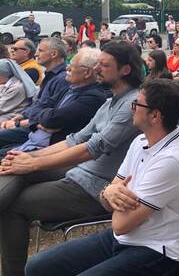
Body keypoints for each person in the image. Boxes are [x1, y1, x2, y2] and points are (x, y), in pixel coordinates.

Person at [25, 79, 179, 276]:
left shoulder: (172, 160)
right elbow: (108, 199)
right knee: (37, 267)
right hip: (125, 239)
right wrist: (109, 191)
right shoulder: (140, 141)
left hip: (157, 250)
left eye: (136, 104)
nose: (131, 108)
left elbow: (120, 224)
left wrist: (111, 192)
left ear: (155, 115)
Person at [0, 41, 142, 276]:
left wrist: (34, 162)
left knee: (14, 205)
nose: (98, 69)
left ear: (125, 70)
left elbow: (92, 148)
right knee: (15, 166)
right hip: (82, 172)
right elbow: (75, 139)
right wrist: (28, 156)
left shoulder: (132, 104)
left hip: (98, 187)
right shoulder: (111, 102)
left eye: (105, 65)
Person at [0, 48, 107, 157]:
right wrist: (42, 121)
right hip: (35, 135)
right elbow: (42, 105)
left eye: (72, 65)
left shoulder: (92, 97)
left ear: (87, 72)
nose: (67, 67)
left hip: (48, 148)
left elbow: (52, 119)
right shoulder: (70, 87)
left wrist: (45, 118)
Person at [0, 59, 37, 124]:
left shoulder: (16, 87)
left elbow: (1, 107)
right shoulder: (5, 82)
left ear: (3, 73)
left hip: (11, 116)